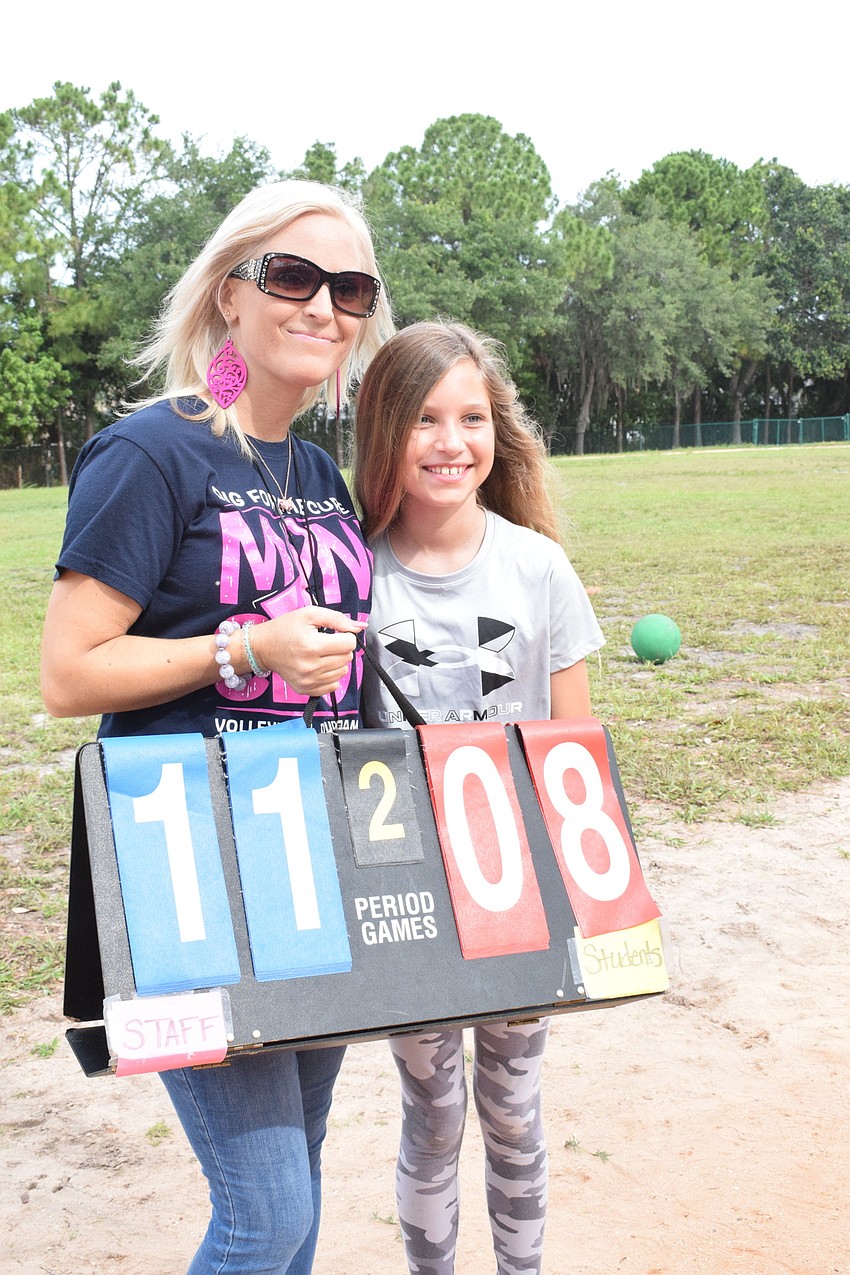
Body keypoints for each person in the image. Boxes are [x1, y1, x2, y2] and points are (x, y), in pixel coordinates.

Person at [40, 179, 393, 1274]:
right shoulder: (155, 450)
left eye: (349, 287)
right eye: (292, 277)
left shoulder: (317, 470)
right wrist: (244, 646)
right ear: (228, 295)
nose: (322, 307)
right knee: (266, 1212)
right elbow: (68, 671)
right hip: (188, 868)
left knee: (303, 1170)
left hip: (311, 855)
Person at [352, 320, 605, 1275]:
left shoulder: (536, 568)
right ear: (383, 430)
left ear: (496, 430)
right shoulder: (353, 570)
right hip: (409, 895)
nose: (450, 441)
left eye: (469, 417)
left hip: (519, 898)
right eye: (422, 417)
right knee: (432, 1109)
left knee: (512, 1106)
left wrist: (577, 892)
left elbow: (574, 754)